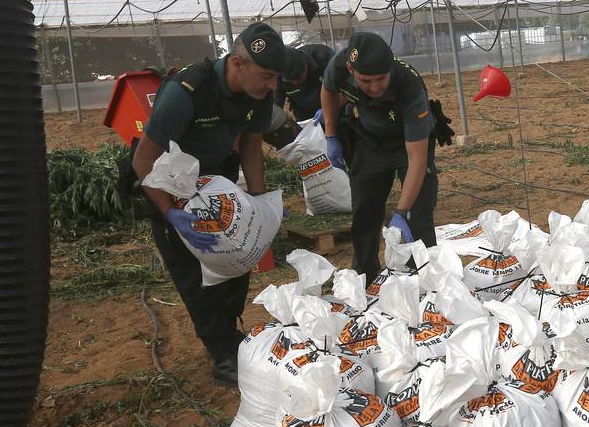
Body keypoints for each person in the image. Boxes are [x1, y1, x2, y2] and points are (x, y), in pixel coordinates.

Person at [131, 21, 288, 385]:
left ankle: (230, 335)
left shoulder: (258, 95)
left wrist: (260, 202)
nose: (273, 85)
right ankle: (222, 356)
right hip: (169, 186)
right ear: (237, 63)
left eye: (277, 77)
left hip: (215, 185)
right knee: (195, 278)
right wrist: (170, 213)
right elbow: (143, 161)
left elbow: (250, 144)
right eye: (266, 75)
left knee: (237, 257)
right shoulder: (186, 92)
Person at [321, 31, 438, 279]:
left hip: (409, 142)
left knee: (418, 215)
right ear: (351, 70)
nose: (374, 87)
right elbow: (328, 90)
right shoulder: (338, 66)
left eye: (381, 79)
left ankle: (427, 283)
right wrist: (331, 134)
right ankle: (366, 278)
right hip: (369, 140)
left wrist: (401, 211)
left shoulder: (409, 85)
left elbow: (417, 159)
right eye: (366, 81)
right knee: (365, 212)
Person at [281, 42, 334, 122]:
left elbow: (344, 89)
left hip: (334, 107)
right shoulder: (277, 72)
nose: (295, 83)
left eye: (298, 78)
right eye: (290, 80)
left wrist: (328, 109)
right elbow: (275, 103)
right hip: (304, 115)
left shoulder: (326, 58)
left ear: (306, 64)